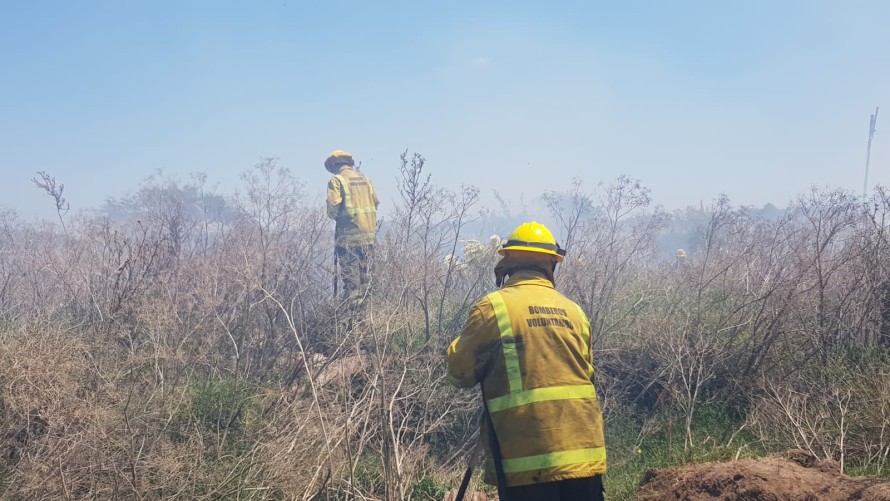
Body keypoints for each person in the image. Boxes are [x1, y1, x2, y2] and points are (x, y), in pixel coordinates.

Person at [446, 221, 607, 500]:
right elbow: (587, 376)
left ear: (507, 263)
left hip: (529, 460)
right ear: (552, 265)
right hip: (586, 455)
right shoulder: (575, 312)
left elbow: (459, 373)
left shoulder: (493, 308)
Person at [325, 150, 379, 303]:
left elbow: (333, 209)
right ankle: (365, 315)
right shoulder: (366, 179)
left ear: (335, 165)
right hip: (369, 238)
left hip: (348, 239)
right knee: (366, 280)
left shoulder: (336, 180)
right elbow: (375, 202)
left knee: (351, 283)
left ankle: (352, 319)